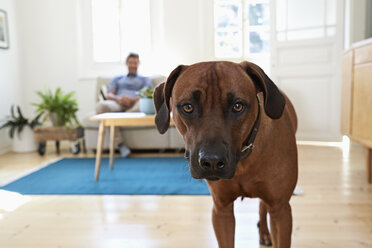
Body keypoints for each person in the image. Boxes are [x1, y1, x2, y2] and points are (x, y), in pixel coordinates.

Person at [96, 53, 153, 157]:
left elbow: (148, 94)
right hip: (118, 103)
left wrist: (133, 99)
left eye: (135, 63)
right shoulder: (117, 79)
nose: (133, 65)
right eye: (131, 62)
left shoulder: (145, 80)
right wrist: (119, 99)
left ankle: (119, 116)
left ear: (138, 63)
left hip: (136, 104)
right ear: (127, 63)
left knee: (144, 104)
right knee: (101, 106)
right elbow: (109, 95)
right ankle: (120, 143)